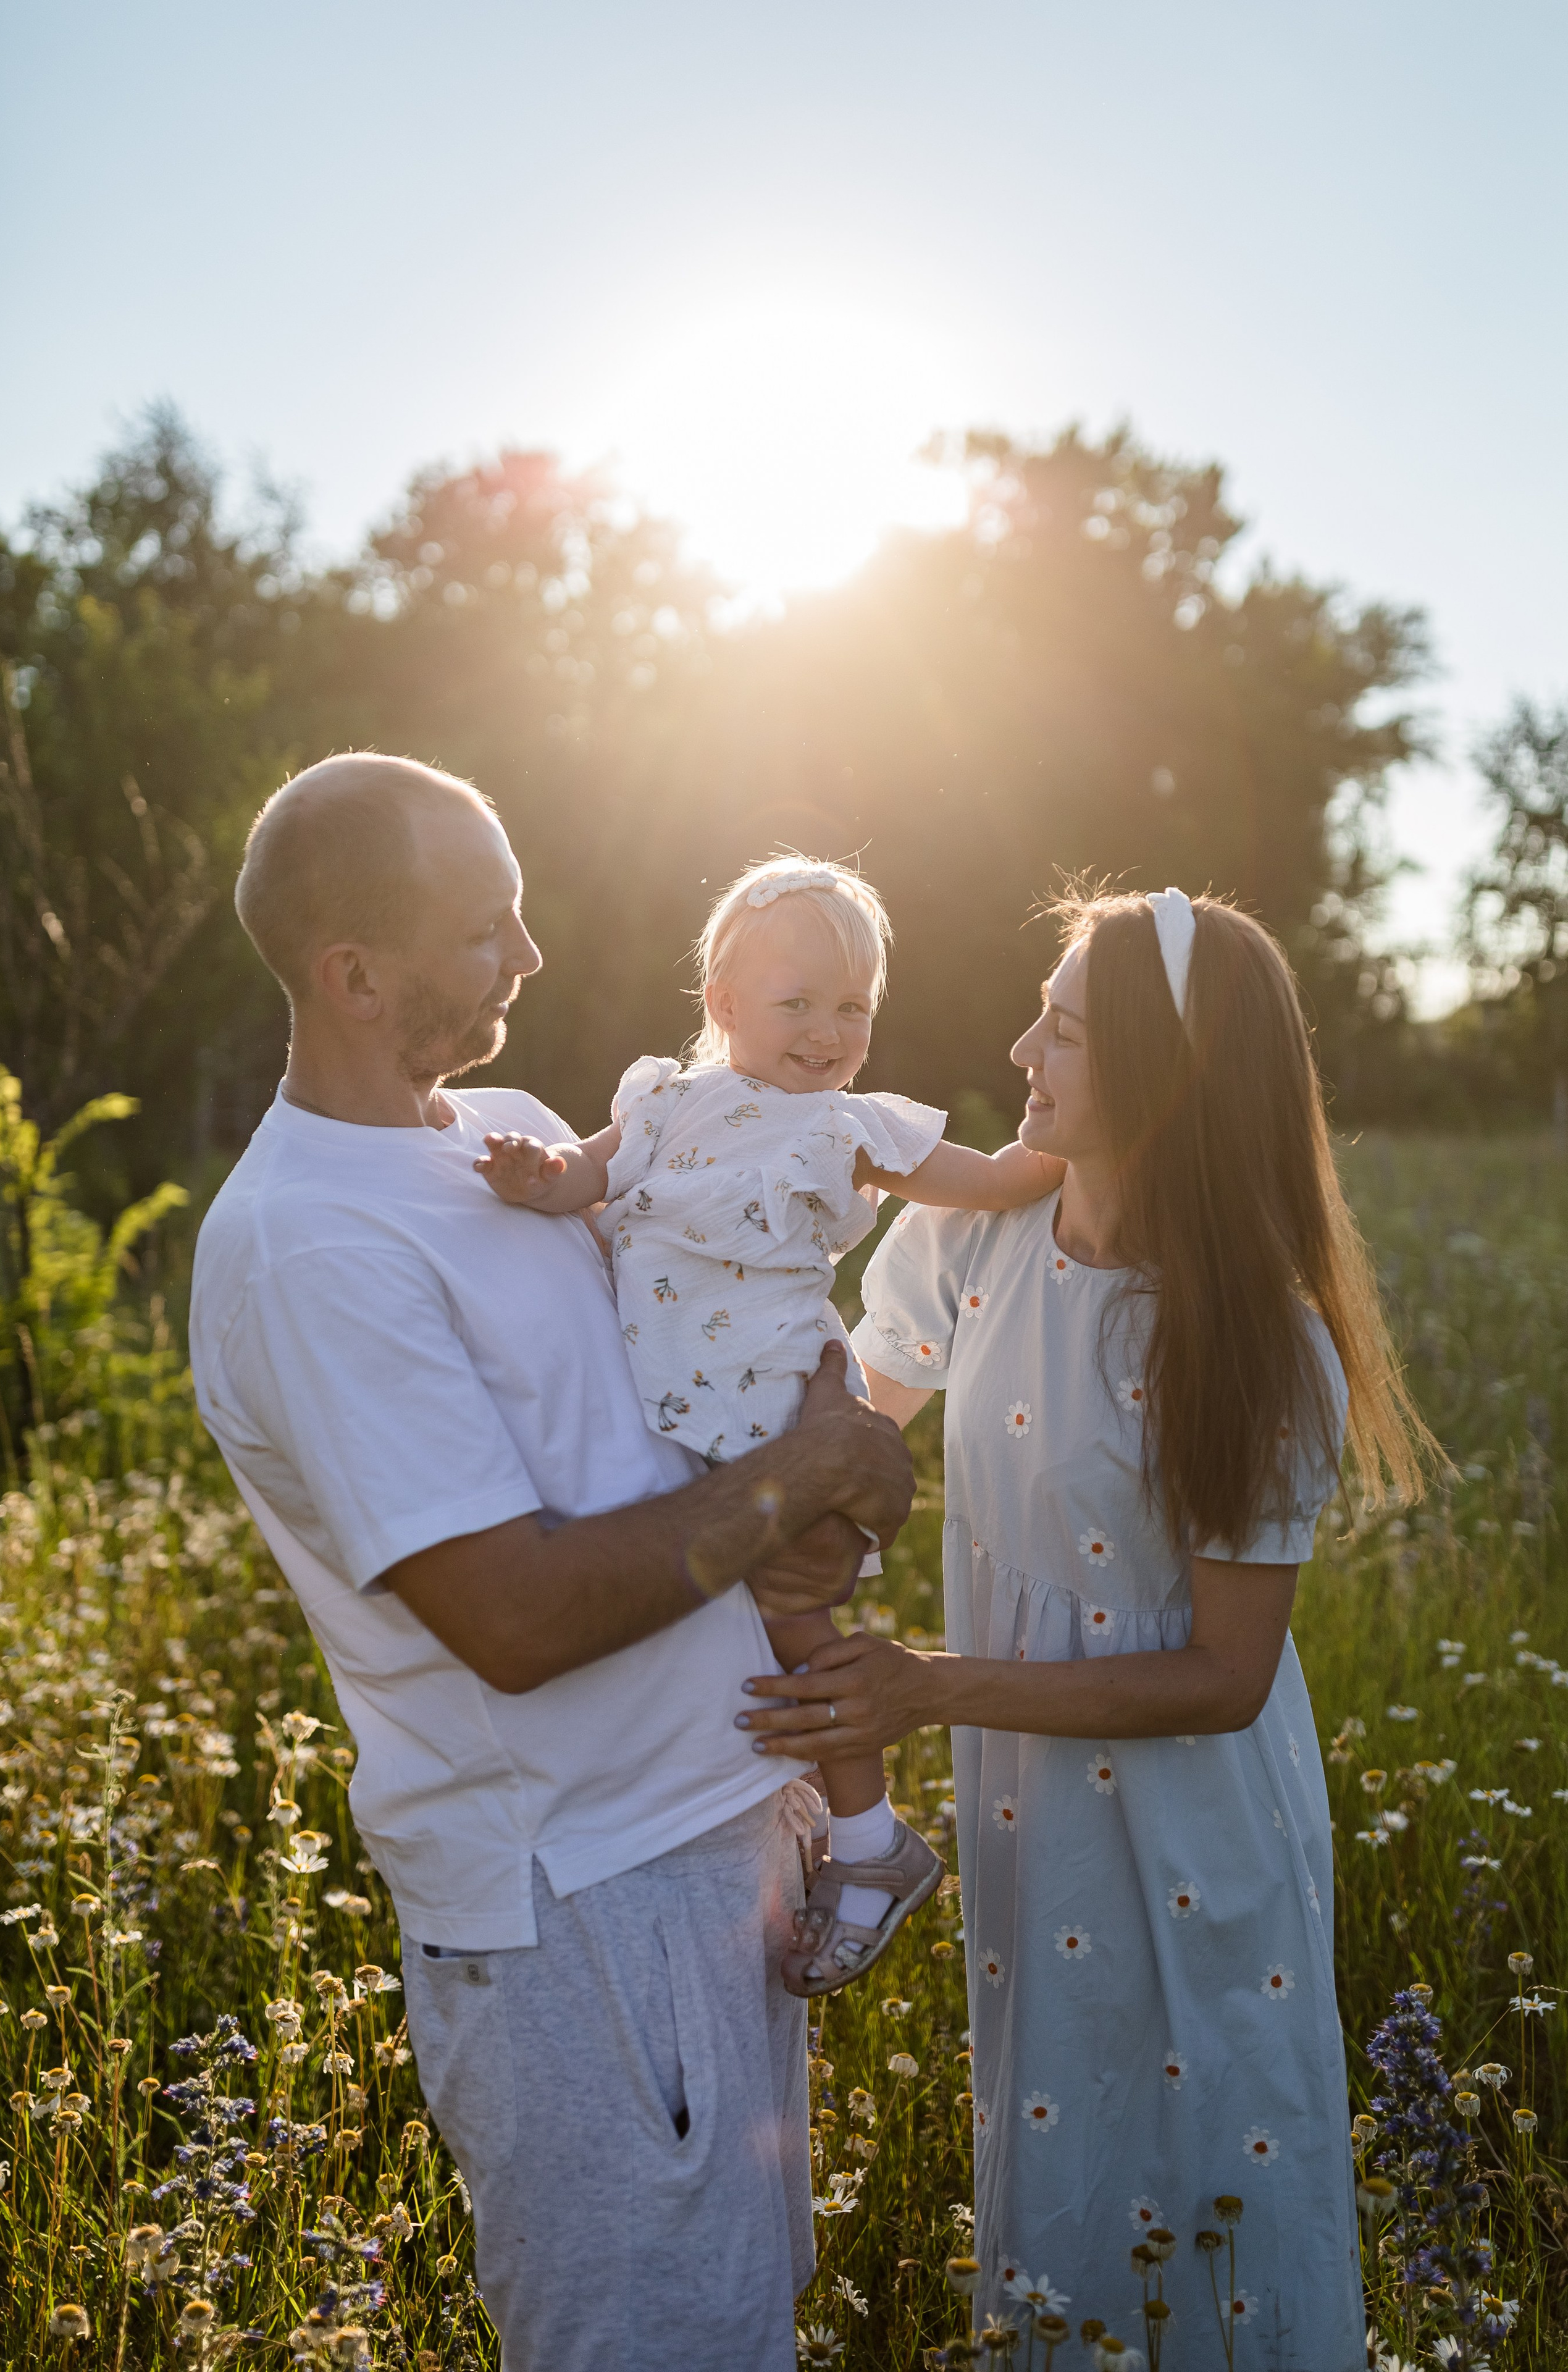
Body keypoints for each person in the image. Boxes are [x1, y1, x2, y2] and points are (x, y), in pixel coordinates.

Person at [187, 754, 918, 2372]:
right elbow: (509, 1618)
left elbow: (685, 1395)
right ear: (355, 976)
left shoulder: (508, 1134)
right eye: (485, 931)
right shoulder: (309, 1245)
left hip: (716, 1844)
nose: (529, 958)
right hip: (584, 1911)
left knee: (744, 2330)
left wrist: (821, 1449)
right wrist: (816, 1466)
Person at [736, 887, 1435, 2362]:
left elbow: (1225, 1678)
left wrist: (925, 1689)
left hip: (1196, 1821)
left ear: (1159, 1070)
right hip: (1028, 1797)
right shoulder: (972, 1246)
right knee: (1060, 2152)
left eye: (1059, 1026)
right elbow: (844, 1442)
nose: (1017, 1047)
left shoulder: (1252, 1338)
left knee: (1219, 2159)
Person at [479, 854, 1061, 1994]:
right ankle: (808, 1825)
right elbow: (575, 1186)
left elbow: (993, 1181)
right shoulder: (656, 1102)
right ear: (725, 1008)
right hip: (666, 1421)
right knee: (687, 1615)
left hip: (769, 1407)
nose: (827, 1031)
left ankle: (871, 1840)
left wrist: (1093, 1132)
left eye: (854, 1008)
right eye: (797, 1003)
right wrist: (528, 1173)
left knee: (793, 1622)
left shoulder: (849, 1130)